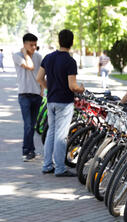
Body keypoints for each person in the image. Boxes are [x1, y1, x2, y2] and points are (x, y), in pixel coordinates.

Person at [36, 29, 85, 177]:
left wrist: (50, 88)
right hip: (64, 102)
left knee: (51, 132)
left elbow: (39, 78)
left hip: (51, 100)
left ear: (59, 41)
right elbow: (72, 86)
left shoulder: (48, 57)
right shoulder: (70, 61)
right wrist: (81, 89)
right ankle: (60, 168)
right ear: (72, 42)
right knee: (61, 136)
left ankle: (47, 165)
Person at [12, 33, 44, 162]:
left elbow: (42, 75)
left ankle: (32, 151)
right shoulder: (17, 56)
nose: (34, 47)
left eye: (35, 44)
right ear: (24, 44)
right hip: (24, 94)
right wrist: (25, 53)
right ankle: (27, 151)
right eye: (31, 45)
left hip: (37, 95)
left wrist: (42, 91)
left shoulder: (39, 57)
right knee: (28, 124)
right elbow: (30, 66)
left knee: (33, 125)